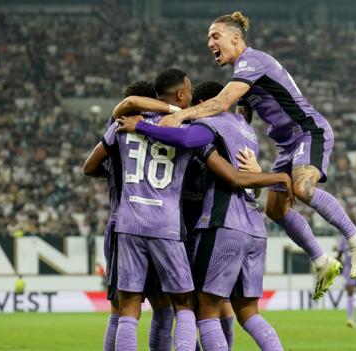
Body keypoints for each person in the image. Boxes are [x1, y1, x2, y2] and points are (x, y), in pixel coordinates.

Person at [112, 11, 356, 300]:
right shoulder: (243, 74)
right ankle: (322, 262)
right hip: (287, 144)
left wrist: (181, 115)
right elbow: (240, 116)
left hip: (308, 131)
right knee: (275, 209)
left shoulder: (252, 60)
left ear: (236, 37)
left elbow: (222, 102)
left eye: (215, 36)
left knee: (301, 187)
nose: (210, 43)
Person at [118, 80, 288, 350]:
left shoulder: (210, 124)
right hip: (254, 227)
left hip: (221, 224)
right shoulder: (245, 129)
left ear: (202, 106)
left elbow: (189, 140)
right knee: (246, 312)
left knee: (204, 310)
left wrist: (141, 126)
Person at [84, 80, 178, 351]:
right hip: (161, 223)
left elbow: (88, 167)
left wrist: (115, 175)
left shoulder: (119, 129)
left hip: (123, 223)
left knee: (122, 308)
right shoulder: (166, 128)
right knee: (164, 307)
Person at [336, 237, 356, 328]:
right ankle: (350, 318)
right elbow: (339, 255)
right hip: (348, 269)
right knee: (350, 292)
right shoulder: (343, 241)